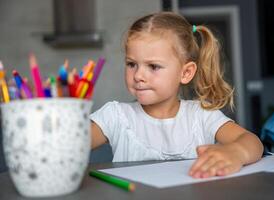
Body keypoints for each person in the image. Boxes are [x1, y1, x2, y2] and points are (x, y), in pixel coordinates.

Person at [89, 12, 263, 178]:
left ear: (186, 73)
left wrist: (236, 152)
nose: (138, 76)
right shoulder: (115, 116)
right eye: (131, 64)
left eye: (153, 66)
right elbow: (72, 143)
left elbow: (252, 142)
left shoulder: (201, 115)